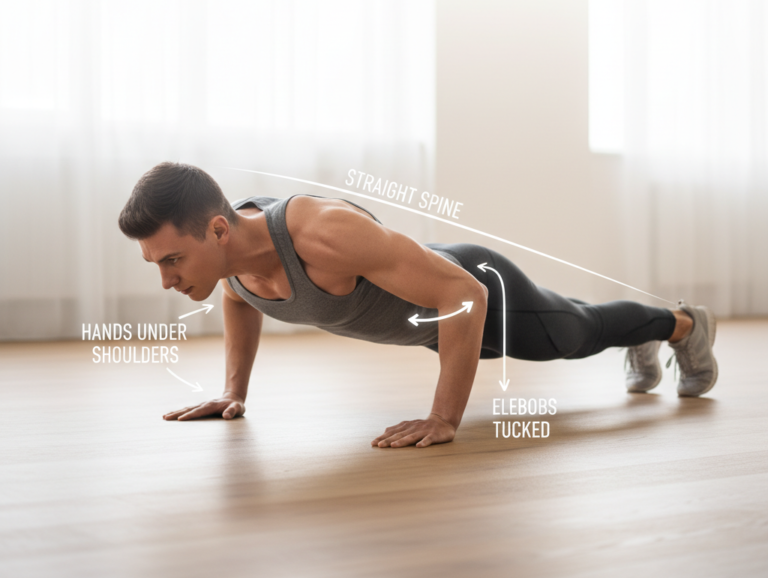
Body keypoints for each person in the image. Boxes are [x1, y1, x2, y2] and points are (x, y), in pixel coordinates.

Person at [118, 162, 719, 448]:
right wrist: (233, 390)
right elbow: (241, 301)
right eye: (158, 265)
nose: (168, 281)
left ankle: (681, 324)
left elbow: (465, 293)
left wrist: (444, 418)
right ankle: (641, 332)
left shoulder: (322, 233)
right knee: (578, 325)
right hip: (436, 326)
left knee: (573, 334)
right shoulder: (229, 260)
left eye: (173, 261)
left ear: (219, 230)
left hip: (474, 288)